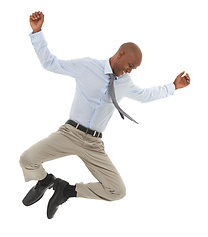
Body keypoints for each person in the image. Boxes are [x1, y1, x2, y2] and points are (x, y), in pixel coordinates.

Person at [20, 11, 191, 219]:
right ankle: (45, 181)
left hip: (94, 144)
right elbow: (51, 63)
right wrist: (37, 32)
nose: (130, 71)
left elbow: (145, 95)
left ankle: (66, 191)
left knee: (117, 191)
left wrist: (173, 86)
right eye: (130, 65)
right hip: (68, 134)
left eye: (134, 68)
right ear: (120, 54)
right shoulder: (86, 66)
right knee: (27, 159)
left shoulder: (125, 83)